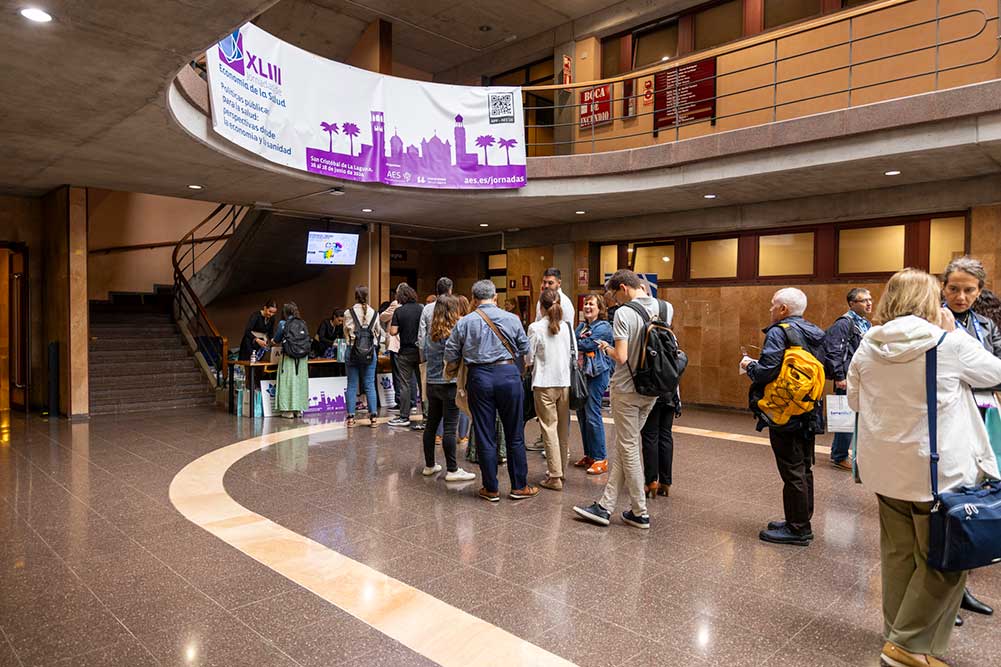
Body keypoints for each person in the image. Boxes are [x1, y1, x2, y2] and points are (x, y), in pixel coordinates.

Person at [847, 268, 1001, 667]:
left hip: (885, 470)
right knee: (948, 561)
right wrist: (956, 333)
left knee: (899, 556)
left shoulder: (868, 344)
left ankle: (896, 635)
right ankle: (908, 645)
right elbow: (996, 373)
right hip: (939, 473)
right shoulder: (948, 343)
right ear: (929, 302)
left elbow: (855, 402)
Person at [573, 270, 660, 530]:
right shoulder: (663, 307)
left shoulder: (624, 313)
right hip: (653, 388)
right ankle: (605, 506)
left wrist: (606, 348)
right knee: (626, 446)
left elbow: (621, 356)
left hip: (627, 388)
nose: (614, 301)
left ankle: (640, 511)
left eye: (614, 295)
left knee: (628, 447)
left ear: (623, 288)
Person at [740, 287, 827, 546]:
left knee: (791, 469)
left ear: (783, 309)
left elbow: (767, 371)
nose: (770, 309)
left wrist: (749, 365)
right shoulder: (814, 332)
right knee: (803, 467)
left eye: (772, 305)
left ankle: (798, 529)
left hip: (786, 411)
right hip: (809, 408)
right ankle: (799, 519)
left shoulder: (780, 332)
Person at [941, 257, 1000, 623]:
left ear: (979, 292)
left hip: (984, 413)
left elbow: (996, 368)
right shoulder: (932, 321)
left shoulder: (986, 325)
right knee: (947, 505)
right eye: (954, 289)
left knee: (974, 501)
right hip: (948, 418)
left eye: (968, 290)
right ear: (943, 288)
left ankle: (960, 590)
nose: (960, 297)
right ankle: (944, 597)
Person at [445, 279, 537, 503]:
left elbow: (450, 352)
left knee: (485, 433)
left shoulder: (465, 322)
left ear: (474, 299)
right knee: (515, 432)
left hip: (479, 377)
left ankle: (491, 488)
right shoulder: (512, 319)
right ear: (495, 297)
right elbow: (525, 348)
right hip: (508, 375)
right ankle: (519, 486)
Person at [421, 295, 476, 482]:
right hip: (449, 384)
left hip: (432, 383)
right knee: (450, 428)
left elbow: (424, 354)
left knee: (431, 425)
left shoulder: (431, 333)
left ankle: (430, 465)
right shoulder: (455, 332)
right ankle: (452, 469)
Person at [528, 289, 576, 491]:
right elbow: (573, 354)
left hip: (544, 383)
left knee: (548, 428)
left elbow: (529, 358)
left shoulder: (535, 327)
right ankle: (561, 471)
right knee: (562, 430)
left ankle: (554, 476)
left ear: (541, 306)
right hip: (564, 382)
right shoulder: (568, 328)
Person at [823, 287, 873, 471]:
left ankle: (841, 452)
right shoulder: (844, 323)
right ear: (852, 303)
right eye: (864, 300)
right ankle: (839, 456)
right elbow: (834, 351)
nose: (869, 303)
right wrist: (839, 376)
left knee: (853, 416)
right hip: (847, 377)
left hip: (860, 377)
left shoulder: (865, 324)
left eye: (870, 299)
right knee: (846, 416)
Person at [639, 296, 679, 499]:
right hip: (671, 392)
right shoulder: (672, 336)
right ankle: (666, 482)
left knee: (650, 435)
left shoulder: (649, 335)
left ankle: (651, 481)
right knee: (665, 435)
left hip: (653, 391)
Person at [574, 293, 613, 475]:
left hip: (597, 375)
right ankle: (589, 455)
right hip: (582, 375)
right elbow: (573, 342)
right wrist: (578, 342)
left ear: (600, 308)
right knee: (582, 415)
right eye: (586, 304)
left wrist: (578, 342)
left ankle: (600, 458)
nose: (587, 307)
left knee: (592, 414)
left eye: (591, 304)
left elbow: (588, 345)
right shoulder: (582, 326)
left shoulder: (604, 326)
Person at [343, 286, 382, 428]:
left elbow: (345, 332)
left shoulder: (348, 313)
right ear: (367, 296)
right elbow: (378, 332)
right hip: (370, 352)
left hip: (352, 350)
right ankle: (373, 418)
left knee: (352, 384)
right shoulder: (374, 313)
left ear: (355, 296)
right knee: (370, 384)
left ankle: (350, 418)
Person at [388, 283, 424, 430]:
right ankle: (426, 416)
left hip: (405, 352)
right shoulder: (421, 309)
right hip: (420, 352)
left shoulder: (399, 311)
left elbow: (393, 332)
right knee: (422, 384)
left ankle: (404, 416)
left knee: (405, 384)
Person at [272, 302, 309, 419]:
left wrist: (272, 341)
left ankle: (288, 411)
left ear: (285, 313)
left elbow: (277, 339)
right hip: (302, 359)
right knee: (299, 382)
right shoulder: (303, 323)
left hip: (289, 357)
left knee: (288, 382)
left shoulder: (283, 323)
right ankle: (298, 410)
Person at [418, 277, 453, 352]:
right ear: (450, 290)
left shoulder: (427, 308)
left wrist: (422, 351)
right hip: (450, 348)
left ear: (437, 290)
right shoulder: (454, 307)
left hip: (431, 348)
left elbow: (422, 333)